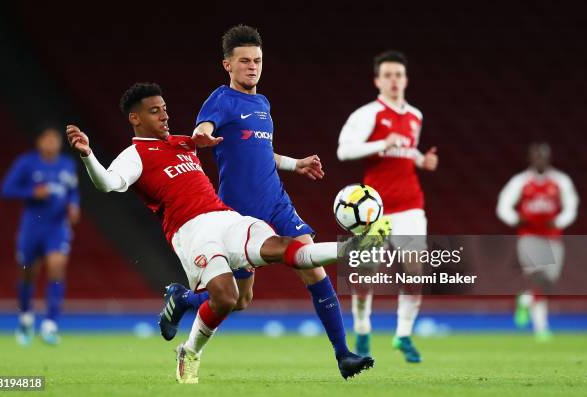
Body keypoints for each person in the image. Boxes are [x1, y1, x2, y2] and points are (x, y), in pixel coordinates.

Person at [66, 82, 352, 384]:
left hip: (225, 217)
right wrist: (88, 156)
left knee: (285, 248)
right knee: (227, 298)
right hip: (191, 231)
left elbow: (250, 149)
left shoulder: (183, 142)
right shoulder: (134, 155)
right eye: (154, 111)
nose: (164, 116)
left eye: (164, 109)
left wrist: (294, 163)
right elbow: (107, 183)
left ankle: (349, 248)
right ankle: (189, 352)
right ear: (135, 119)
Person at [158, 24, 373, 379]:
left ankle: (343, 355)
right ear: (227, 65)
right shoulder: (220, 99)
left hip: (277, 203)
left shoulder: (262, 103)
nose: (252, 67)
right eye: (244, 61)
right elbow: (204, 130)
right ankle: (183, 300)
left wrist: (295, 164)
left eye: (257, 60)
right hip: (237, 215)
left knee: (312, 268)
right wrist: (203, 135)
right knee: (239, 300)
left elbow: (259, 151)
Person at [337, 51, 439, 362]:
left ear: (406, 80)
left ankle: (403, 335)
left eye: (399, 75)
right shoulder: (367, 114)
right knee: (365, 274)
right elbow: (344, 151)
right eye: (388, 75)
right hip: (374, 209)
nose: (394, 80)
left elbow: (406, 151)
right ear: (378, 81)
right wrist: (382, 142)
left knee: (414, 271)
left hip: (410, 205)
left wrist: (423, 160)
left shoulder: (415, 116)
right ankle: (364, 329)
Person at [0, 126, 80, 346]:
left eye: (55, 140)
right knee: (28, 274)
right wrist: (32, 192)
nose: (52, 144)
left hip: (57, 227)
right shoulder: (26, 163)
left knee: (57, 267)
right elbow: (6, 189)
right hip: (32, 228)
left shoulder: (67, 164)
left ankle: (50, 325)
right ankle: (26, 318)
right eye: (48, 139)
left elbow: (73, 191)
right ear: (39, 142)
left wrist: (74, 205)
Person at [496, 142, 578, 341]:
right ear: (530, 158)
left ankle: (525, 300)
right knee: (539, 278)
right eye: (536, 156)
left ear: (548, 158)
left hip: (553, 237)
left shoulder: (560, 181)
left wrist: (558, 221)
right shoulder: (521, 181)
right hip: (530, 237)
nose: (540, 159)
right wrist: (516, 218)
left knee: (548, 282)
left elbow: (571, 206)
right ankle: (541, 328)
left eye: (543, 156)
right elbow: (503, 205)